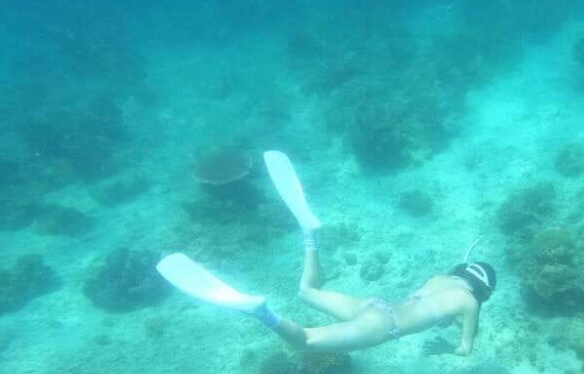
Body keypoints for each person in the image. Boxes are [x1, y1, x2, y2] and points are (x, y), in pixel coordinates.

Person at [157, 151, 496, 356]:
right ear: (483, 292)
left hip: (376, 305)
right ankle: (261, 313)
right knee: (304, 341)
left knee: (308, 292)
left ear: (465, 271)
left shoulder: (441, 279)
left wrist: (468, 257)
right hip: (382, 327)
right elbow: (466, 347)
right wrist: (449, 349)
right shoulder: (471, 303)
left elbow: (456, 279)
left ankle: (309, 233)